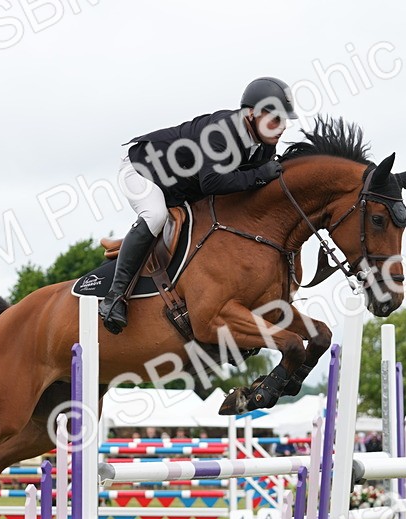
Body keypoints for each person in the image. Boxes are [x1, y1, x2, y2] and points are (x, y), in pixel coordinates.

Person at [98, 77, 298, 334]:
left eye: (284, 121)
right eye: (275, 120)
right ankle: (114, 297)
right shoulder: (221, 131)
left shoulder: (263, 146)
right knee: (156, 216)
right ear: (252, 114)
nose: (280, 128)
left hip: (181, 187)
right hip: (143, 170)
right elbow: (213, 182)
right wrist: (260, 175)